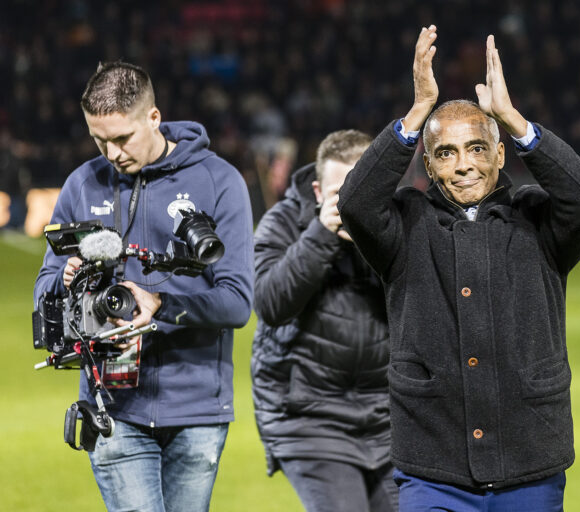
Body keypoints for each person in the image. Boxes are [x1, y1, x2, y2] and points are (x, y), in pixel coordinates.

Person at [338, 26, 580, 511]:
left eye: (478, 148)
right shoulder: (404, 225)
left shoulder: (538, 222)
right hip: (433, 468)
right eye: (446, 152)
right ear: (428, 164)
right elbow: (355, 203)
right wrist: (417, 112)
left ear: (501, 154)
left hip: (530, 462)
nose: (464, 164)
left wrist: (512, 119)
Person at [33, 62, 254, 512]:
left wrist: (162, 304)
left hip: (196, 408)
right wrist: (66, 278)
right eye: (99, 140)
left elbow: (236, 302)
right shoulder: (82, 183)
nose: (111, 153)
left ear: (154, 118)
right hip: (113, 404)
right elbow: (44, 291)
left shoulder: (218, 181)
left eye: (121, 139)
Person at [251, 130, 397, 512]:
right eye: (340, 194)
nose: (352, 204)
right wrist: (322, 234)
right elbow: (270, 304)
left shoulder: (396, 223)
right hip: (308, 416)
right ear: (317, 192)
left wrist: (377, 237)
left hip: (388, 417)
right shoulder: (282, 224)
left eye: (363, 190)